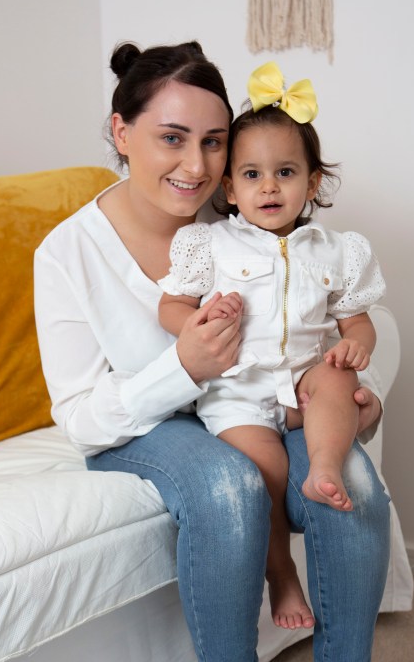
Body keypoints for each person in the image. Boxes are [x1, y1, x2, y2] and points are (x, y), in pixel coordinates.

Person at [34, 40, 397, 662]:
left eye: (212, 141)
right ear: (120, 131)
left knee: (356, 488)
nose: (195, 166)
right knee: (231, 485)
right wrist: (184, 366)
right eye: (172, 138)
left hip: (263, 406)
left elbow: (344, 316)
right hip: (148, 425)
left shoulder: (240, 215)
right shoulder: (67, 254)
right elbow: (80, 414)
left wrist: (364, 399)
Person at [158, 62, 385, 632]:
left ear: (311, 185)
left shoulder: (336, 250)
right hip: (238, 391)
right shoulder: (207, 244)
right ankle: (281, 571)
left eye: (285, 172)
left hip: (304, 382)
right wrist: (200, 319)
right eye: (252, 174)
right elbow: (170, 304)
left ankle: (325, 466)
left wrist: (354, 348)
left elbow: (358, 322)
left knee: (337, 378)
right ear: (230, 188)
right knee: (262, 469)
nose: (269, 186)